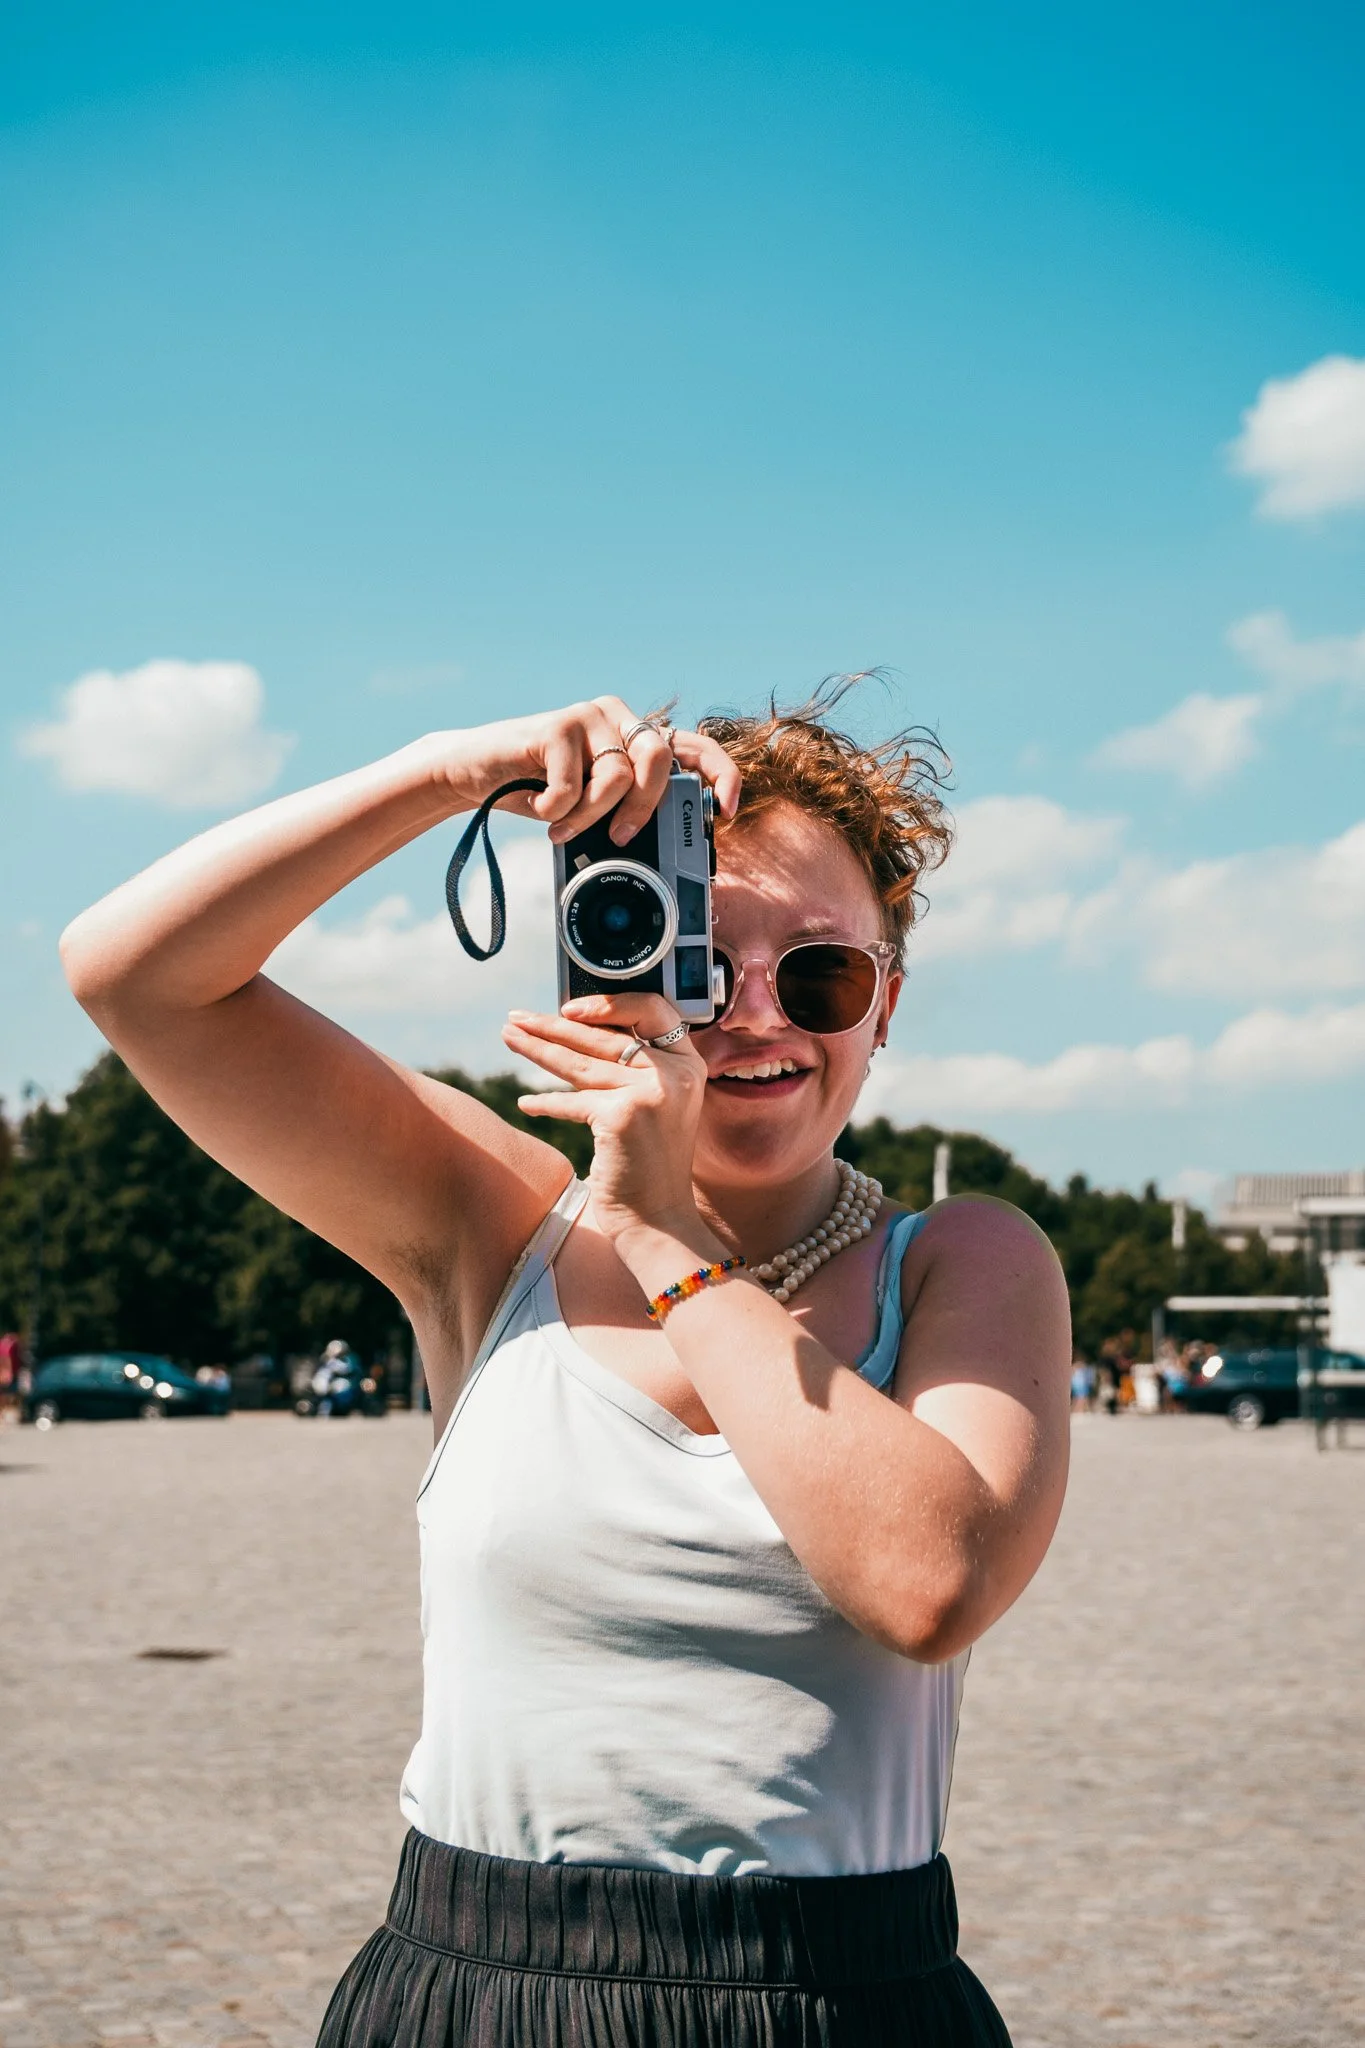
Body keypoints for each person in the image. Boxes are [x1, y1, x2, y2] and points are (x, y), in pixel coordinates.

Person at [59, 695, 1072, 2046]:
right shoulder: (495, 1221)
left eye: (820, 973)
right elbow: (133, 976)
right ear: (613, 944)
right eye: (702, 959)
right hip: (475, 1983)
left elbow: (929, 1582)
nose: (756, 1016)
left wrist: (660, 1234)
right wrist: (447, 774)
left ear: (883, 1002)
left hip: (839, 1998)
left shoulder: (964, 1262)